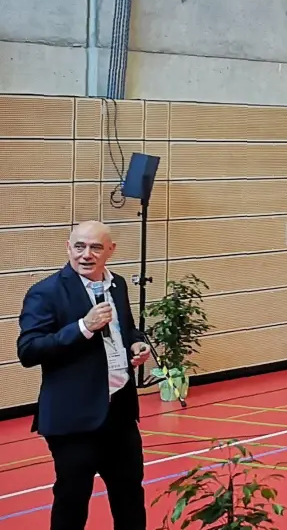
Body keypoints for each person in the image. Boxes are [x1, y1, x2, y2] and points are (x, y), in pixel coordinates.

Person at [17, 221, 153, 530]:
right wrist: (83, 327)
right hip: (73, 419)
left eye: (95, 247)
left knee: (130, 495)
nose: (86, 255)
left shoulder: (117, 284)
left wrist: (136, 342)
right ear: (68, 247)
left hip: (119, 412)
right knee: (73, 500)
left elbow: (126, 328)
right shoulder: (45, 293)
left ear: (110, 251)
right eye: (79, 246)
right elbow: (29, 350)